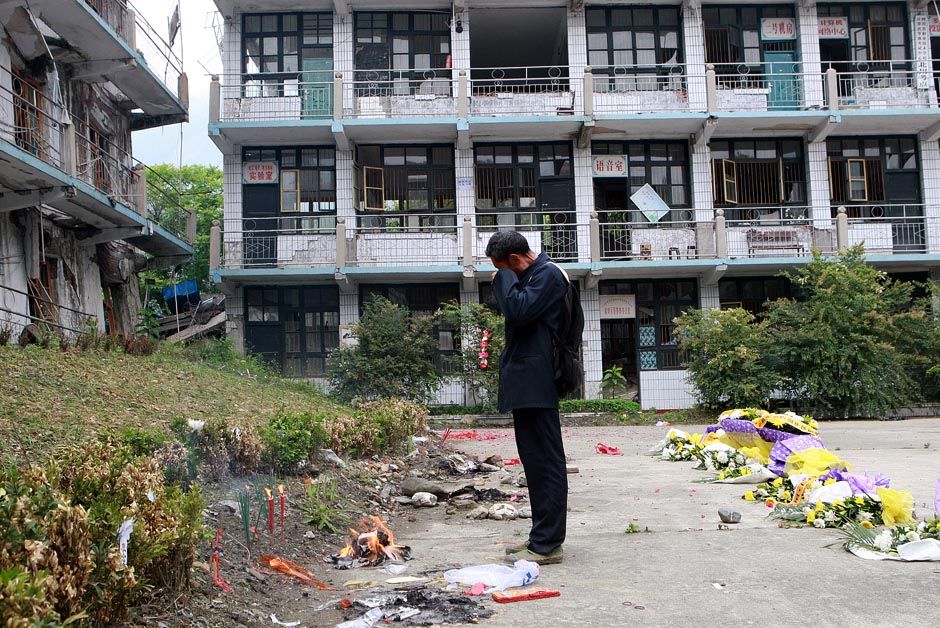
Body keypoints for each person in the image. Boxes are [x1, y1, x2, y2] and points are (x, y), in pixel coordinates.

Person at [485, 231, 569, 565]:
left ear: (516, 260)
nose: (502, 274)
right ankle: (541, 537)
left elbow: (518, 311)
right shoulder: (534, 275)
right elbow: (515, 309)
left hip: (539, 382)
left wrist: (504, 277)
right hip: (528, 383)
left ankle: (548, 543)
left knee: (546, 462)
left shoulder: (548, 275)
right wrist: (506, 278)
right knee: (534, 462)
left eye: (503, 267)